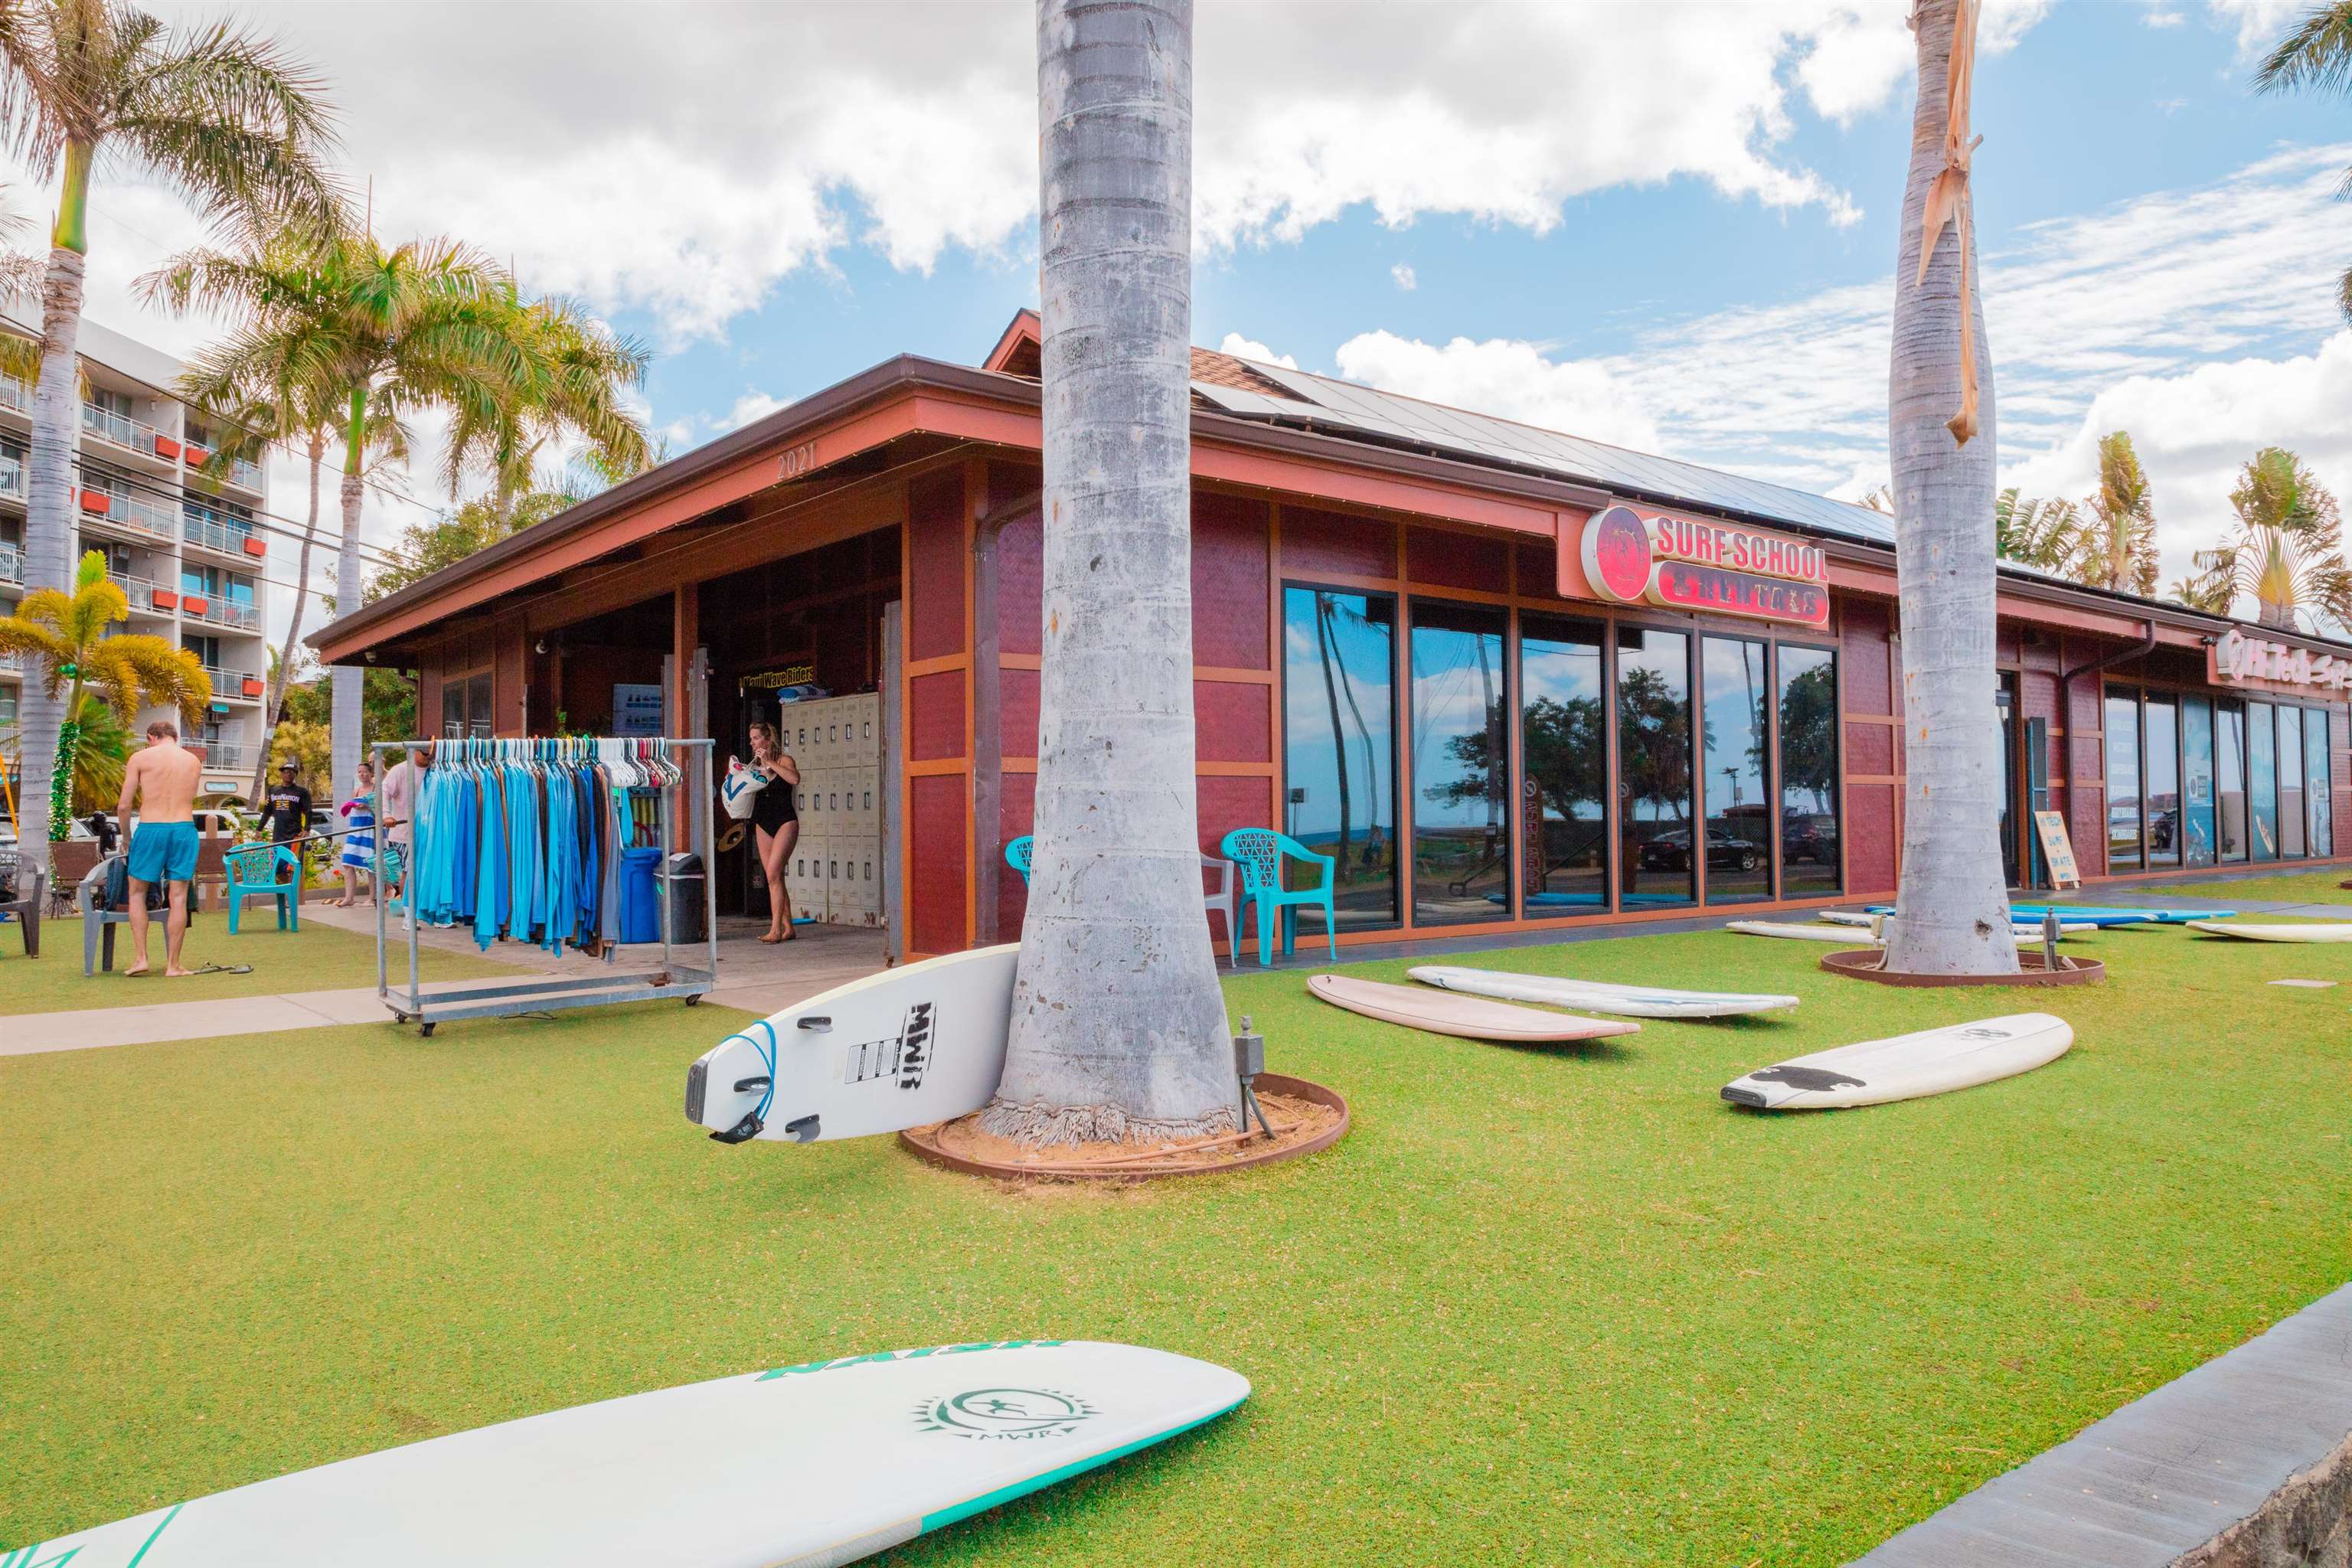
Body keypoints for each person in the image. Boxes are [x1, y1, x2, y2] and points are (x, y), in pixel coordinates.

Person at [117, 719, 204, 977]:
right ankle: (173, 965)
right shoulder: (193, 761)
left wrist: (126, 837)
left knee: (137, 893)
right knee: (177, 896)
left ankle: (141, 959)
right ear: (175, 737)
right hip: (184, 829)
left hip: (152, 827)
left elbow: (124, 806)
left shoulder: (141, 757)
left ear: (151, 737)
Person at [743, 720, 800, 944]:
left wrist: (769, 762)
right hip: (763, 822)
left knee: (774, 874)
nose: (753, 742)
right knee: (773, 878)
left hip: (785, 820)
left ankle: (775, 930)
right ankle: (788, 927)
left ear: (768, 739)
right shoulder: (754, 765)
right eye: (751, 739)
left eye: (756, 737)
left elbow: (794, 779)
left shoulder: (783, 759)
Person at [377, 741, 430, 901]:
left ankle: (431, 912)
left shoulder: (436, 770)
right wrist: (386, 815)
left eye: (431, 753)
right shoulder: (400, 770)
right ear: (414, 752)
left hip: (429, 830)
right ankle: (408, 914)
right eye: (425, 753)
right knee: (409, 870)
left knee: (430, 870)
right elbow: (383, 791)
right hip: (404, 832)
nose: (429, 757)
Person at [335, 760, 376, 906]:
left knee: (371, 864)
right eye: (359, 772)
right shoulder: (356, 791)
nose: (362, 775)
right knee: (347, 862)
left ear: (371, 773)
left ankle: (372, 897)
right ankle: (349, 897)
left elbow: (381, 809)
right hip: (355, 830)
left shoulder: (376, 788)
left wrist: (367, 806)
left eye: (365, 771)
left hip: (370, 830)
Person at [260, 760, 314, 846]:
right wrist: (259, 829)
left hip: (295, 837)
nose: (288, 774)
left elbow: (308, 811)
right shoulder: (273, 791)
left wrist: (307, 829)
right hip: (278, 837)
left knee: (293, 859)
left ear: (296, 775)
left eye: (292, 772)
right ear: (281, 774)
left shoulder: (302, 792)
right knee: (278, 859)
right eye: (285, 772)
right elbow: (267, 812)